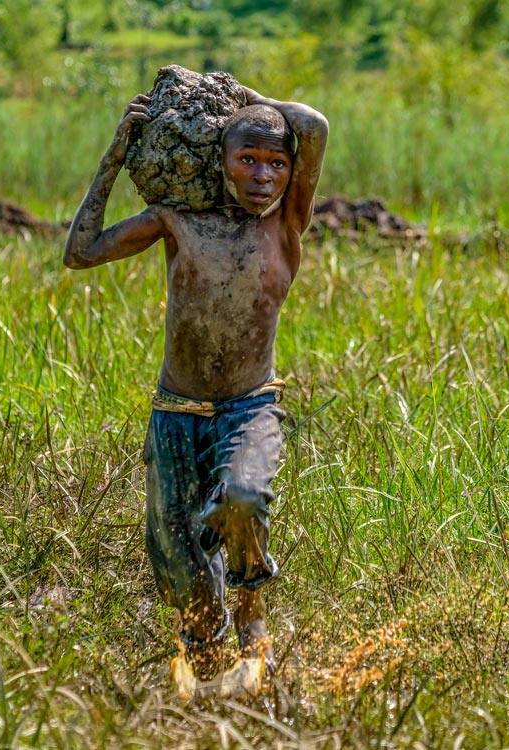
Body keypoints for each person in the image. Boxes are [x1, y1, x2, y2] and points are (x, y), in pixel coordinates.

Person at [65, 85, 329, 689]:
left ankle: (254, 625)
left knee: (242, 500)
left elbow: (311, 123)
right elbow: (80, 252)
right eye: (247, 160)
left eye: (277, 164)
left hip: (251, 406)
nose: (263, 175)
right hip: (175, 414)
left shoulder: (288, 224)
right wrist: (112, 159)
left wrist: (228, 99)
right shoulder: (177, 221)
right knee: (183, 575)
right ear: (220, 161)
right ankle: (210, 684)